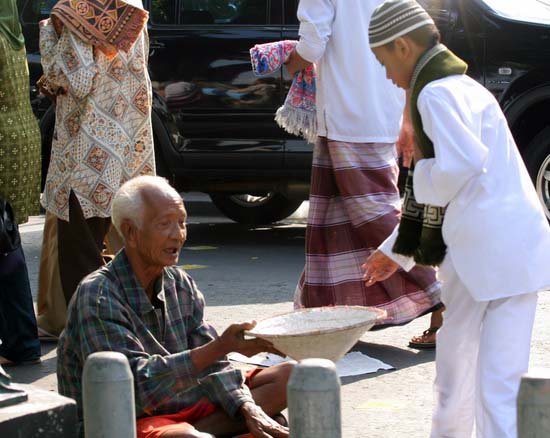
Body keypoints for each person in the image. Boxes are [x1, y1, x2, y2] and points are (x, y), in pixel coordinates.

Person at [363, 1, 550, 436]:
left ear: (403, 47)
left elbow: (462, 164)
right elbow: (452, 178)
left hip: (493, 254)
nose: (388, 77)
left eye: (384, 62)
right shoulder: (461, 87)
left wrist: (418, 171)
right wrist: (395, 249)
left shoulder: (436, 93)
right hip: (492, 251)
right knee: (467, 370)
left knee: (486, 380)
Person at [57, 176, 291, 438]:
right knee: (187, 436)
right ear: (131, 232)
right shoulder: (98, 295)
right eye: (164, 224)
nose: (177, 234)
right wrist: (221, 346)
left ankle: (221, 427)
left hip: (184, 403)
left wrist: (249, 409)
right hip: (122, 418)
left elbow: (216, 365)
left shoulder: (180, 283)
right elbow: (134, 391)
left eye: (182, 222)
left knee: (295, 378)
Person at [284, 0, 442, 338]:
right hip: (380, 111)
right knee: (333, 220)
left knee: (376, 218)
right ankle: (326, 317)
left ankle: (445, 297)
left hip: (349, 116)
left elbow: (311, 46)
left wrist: (288, 61)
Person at [35, 0, 156, 339]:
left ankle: (91, 330)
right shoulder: (131, 5)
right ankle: (126, 322)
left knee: (81, 249)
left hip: (86, 148)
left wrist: (49, 33)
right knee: (120, 241)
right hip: (127, 141)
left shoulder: (76, 10)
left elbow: (76, 77)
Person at [0, 0, 42, 366]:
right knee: (5, 238)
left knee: (4, 240)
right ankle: (21, 338)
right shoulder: (12, 31)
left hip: (3, 138)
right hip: (20, 135)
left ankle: (20, 340)